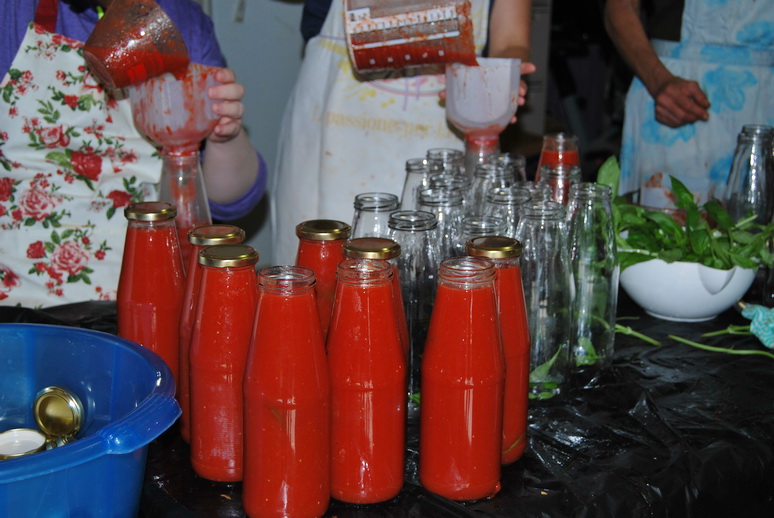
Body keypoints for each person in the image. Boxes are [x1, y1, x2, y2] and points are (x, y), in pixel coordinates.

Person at [0, 0, 267, 307]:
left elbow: (230, 202)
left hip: (153, 301)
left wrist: (224, 138)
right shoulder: (13, 11)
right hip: (17, 303)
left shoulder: (183, 22)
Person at [271, 0, 535, 264]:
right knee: (315, 280)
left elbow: (511, 38)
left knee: (428, 278)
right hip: (330, 145)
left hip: (440, 141)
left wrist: (501, 77)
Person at [604, 0, 774, 208]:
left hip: (765, 98)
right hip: (672, 94)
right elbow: (620, 7)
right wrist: (659, 81)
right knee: (662, 227)